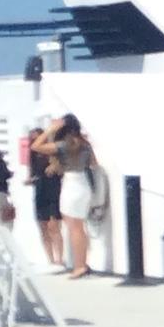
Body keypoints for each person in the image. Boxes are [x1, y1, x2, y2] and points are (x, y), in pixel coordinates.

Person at [54, 117, 105, 276]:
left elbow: (36, 146)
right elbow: (94, 164)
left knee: (74, 227)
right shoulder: (85, 144)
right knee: (78, 226)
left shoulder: (63, 145)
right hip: (83, 184)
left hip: (71, 183)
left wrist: (50, 130)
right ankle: (81, 263)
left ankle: (80, 265)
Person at [24, 119, 66, 267]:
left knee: (54, 227)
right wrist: (30, 179)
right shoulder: (32, 155)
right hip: (40, 189)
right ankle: (51, 260)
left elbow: (61, 170)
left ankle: (59, 259)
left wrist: (55, 166)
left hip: (53, 189)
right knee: (43, 227)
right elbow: (31, 173)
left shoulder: (52, 153)